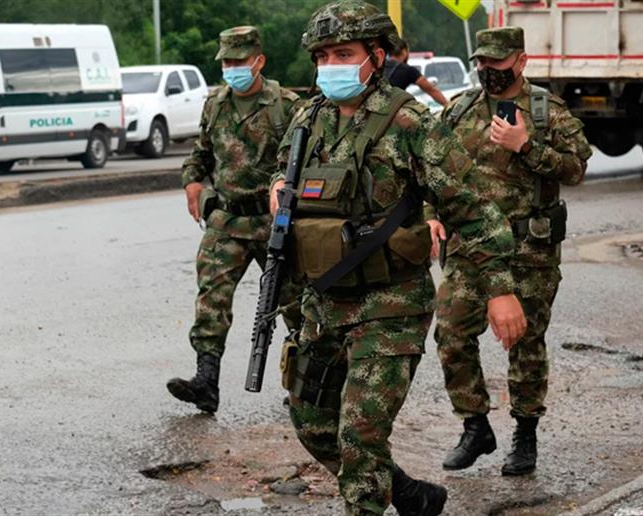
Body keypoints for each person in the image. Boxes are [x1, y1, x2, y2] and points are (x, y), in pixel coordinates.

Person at [269, 2, 527, 514]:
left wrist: (500, 290)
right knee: (313, 423)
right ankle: (409, 494)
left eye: (344, 54)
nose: (330, 66)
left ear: (377, 55)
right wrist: (277, 187)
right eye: (322, 57)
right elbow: (282, 169)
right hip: (323, 301)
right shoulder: (308, 117)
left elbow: (472, 208)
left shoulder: (411, 123)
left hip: (390, 305)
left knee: (359, 436)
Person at [431, 26, 592, 477]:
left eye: (497, 63)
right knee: (451, 333)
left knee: (524, 341)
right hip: (470, 247)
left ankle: (525, 431)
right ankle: (475, 425)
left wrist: (526, 147)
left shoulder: (545, 111)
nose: (488, 70)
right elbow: (430, 168)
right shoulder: (460, 110)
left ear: (520, 62)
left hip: (528, 248)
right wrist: (430, 214)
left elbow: (577, 168)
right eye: (482, 62)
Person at [166, 26, 303, 413]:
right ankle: (205, 382)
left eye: (239, 61)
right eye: (226, 62)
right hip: (226, 221)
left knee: (294, 304)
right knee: (212, 299)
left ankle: (307, 386)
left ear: (258, 61)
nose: (231, 68)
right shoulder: (216, 104)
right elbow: (200, 153)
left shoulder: (286, 105)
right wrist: (192, 181)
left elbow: (305, 160)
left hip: (272, 223)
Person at [384, 36, 448, 106]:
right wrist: (447, 105)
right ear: (404, 51)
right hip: (391, 108)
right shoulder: (408, 70)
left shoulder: (379, 66)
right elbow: (430, 89)